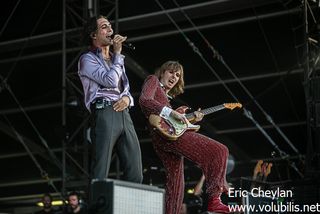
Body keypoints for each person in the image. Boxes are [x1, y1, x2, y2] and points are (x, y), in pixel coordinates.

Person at [139, 61, 230, 214]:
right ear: (162, 72)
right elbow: (144, 101)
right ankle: (215, 199)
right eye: (171, 72)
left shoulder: (168, 100)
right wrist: (170, 112)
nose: (174, 76)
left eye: (178, 75)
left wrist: (192, 119)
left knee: (176, 186)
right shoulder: (152, 80)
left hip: (165, 138)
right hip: (164, 136)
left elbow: (175, 122)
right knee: (220, 151)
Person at [78, 15, 143, 183]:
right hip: (105, 111)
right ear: (94, 35)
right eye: (105, 27)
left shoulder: (115, 59)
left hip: (124, 113)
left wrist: (128, 100)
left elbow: (124, 88)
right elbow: (110, 81)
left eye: (110, 26)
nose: (110, 30)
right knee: (100, 169)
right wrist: (119, 54)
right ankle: (98, 208)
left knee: (136, 172)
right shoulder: (87, 59)